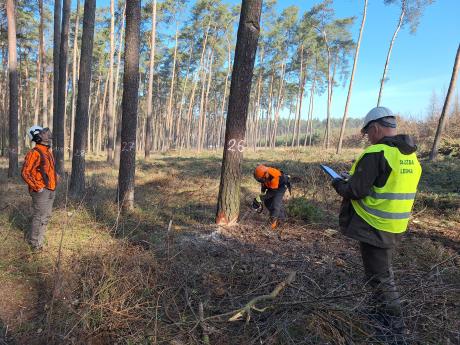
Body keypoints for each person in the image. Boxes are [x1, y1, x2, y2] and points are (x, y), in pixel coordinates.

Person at [331, 107, 422, 341]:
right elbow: (384, 183)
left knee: (381, 279)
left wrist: (337, 182)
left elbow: (355, 190)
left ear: (376, 128)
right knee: (380, 274)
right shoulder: (408, 155)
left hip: (375, 225)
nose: (368, 138)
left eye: (367, 133)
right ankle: (378, 314)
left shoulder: (377, 152)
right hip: (394, 226)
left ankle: (395, 331)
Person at [21, 125, 58, 250]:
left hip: (51, 189)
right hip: (41, 191)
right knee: (39, 216)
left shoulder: (48, 151)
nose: (47, 132)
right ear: (38, 136)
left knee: (46, 216)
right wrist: (38, 187)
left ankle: (39, 242)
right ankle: (35, 245)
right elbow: (25, 172)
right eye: (43, 132)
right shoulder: (34, 152)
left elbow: (47, 170)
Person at [252, 164, 291, 230]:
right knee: (267, 202)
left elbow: (273, 192)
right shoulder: (263, 176)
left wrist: (261, 198)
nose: (260, 181)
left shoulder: (274, 176)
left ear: (265, 175)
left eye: (260, 179)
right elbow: (264, 186)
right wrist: (261, 197)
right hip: (273, 187)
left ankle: (274, 223)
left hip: (281, 186)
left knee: (275, 204)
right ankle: (279, 216)